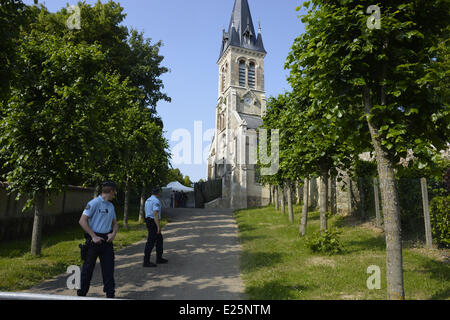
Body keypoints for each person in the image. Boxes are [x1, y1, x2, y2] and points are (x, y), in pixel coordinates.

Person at [77, 181, 119, 298]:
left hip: (107, 241)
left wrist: (113, 233)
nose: (115, 194)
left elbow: (115, 224)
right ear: (111, 191)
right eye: (114, 192)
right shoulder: (94, 203)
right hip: (93, 242)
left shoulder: (111, 206)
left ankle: (110, 295)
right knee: (87, 270)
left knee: (109, 270)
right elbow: (82, 221)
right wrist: (93, 236)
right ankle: (81, 294)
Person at [143, 187, 168, 267]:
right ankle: (146, 261)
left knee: (159, 240)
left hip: (148, 220)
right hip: (153, 222)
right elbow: (155, 214)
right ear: (158, 193)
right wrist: (158, 227)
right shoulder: (156, 201)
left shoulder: (148, 200)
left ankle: (159, 258)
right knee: (151, 242)